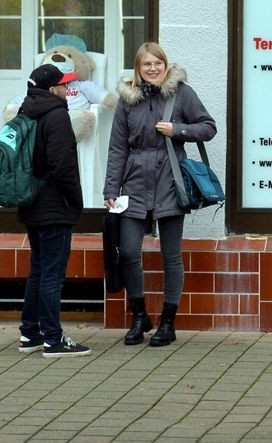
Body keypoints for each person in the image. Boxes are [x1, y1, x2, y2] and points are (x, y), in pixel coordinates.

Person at [103, 42, 217, 348]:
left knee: (171, 255)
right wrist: (111, 188)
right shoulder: (128, 100)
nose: (153, 69)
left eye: (158, 63)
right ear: (137, 70)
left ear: (165, 65)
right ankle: (140, 316)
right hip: (134, 184)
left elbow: (208, 128)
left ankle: (168, 321)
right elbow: (117, 148)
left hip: (170, 182)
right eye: (146, 65)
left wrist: (177, 130)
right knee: (127, 252)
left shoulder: (182, 93)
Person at [16, 64, 91, 358]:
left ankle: (29, 334)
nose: (67, 89)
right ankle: (53, 339)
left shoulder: (26, 113)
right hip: (54, 206)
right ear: (51, 90)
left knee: (38, 270)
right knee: (51, 274)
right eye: (64, 85)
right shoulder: (57, 115)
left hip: (32, 204)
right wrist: (76, 202)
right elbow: (63, 167)